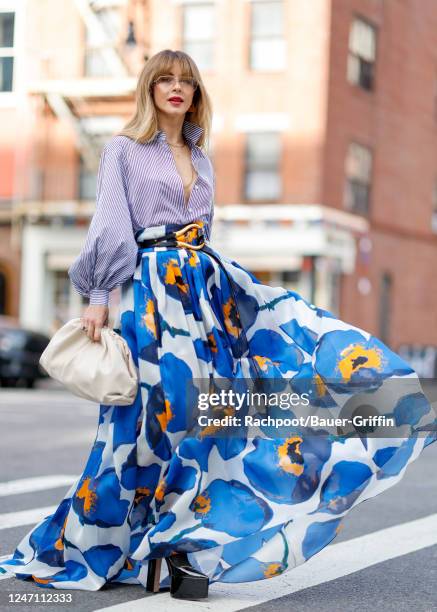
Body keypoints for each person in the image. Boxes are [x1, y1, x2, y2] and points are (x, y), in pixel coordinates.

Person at [0, 49, 436, 601]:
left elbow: (203, 231)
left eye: (185, 80)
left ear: (197, 91)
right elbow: (111, 224)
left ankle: (183, 548)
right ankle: (108, 541)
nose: (175, 88)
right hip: (154, 296)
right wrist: (97, 295)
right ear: (150, 89)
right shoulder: (123, 150)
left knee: (212, 418)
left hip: (207, 296)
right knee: (150, 425)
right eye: (164, 80)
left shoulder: (202, 157)